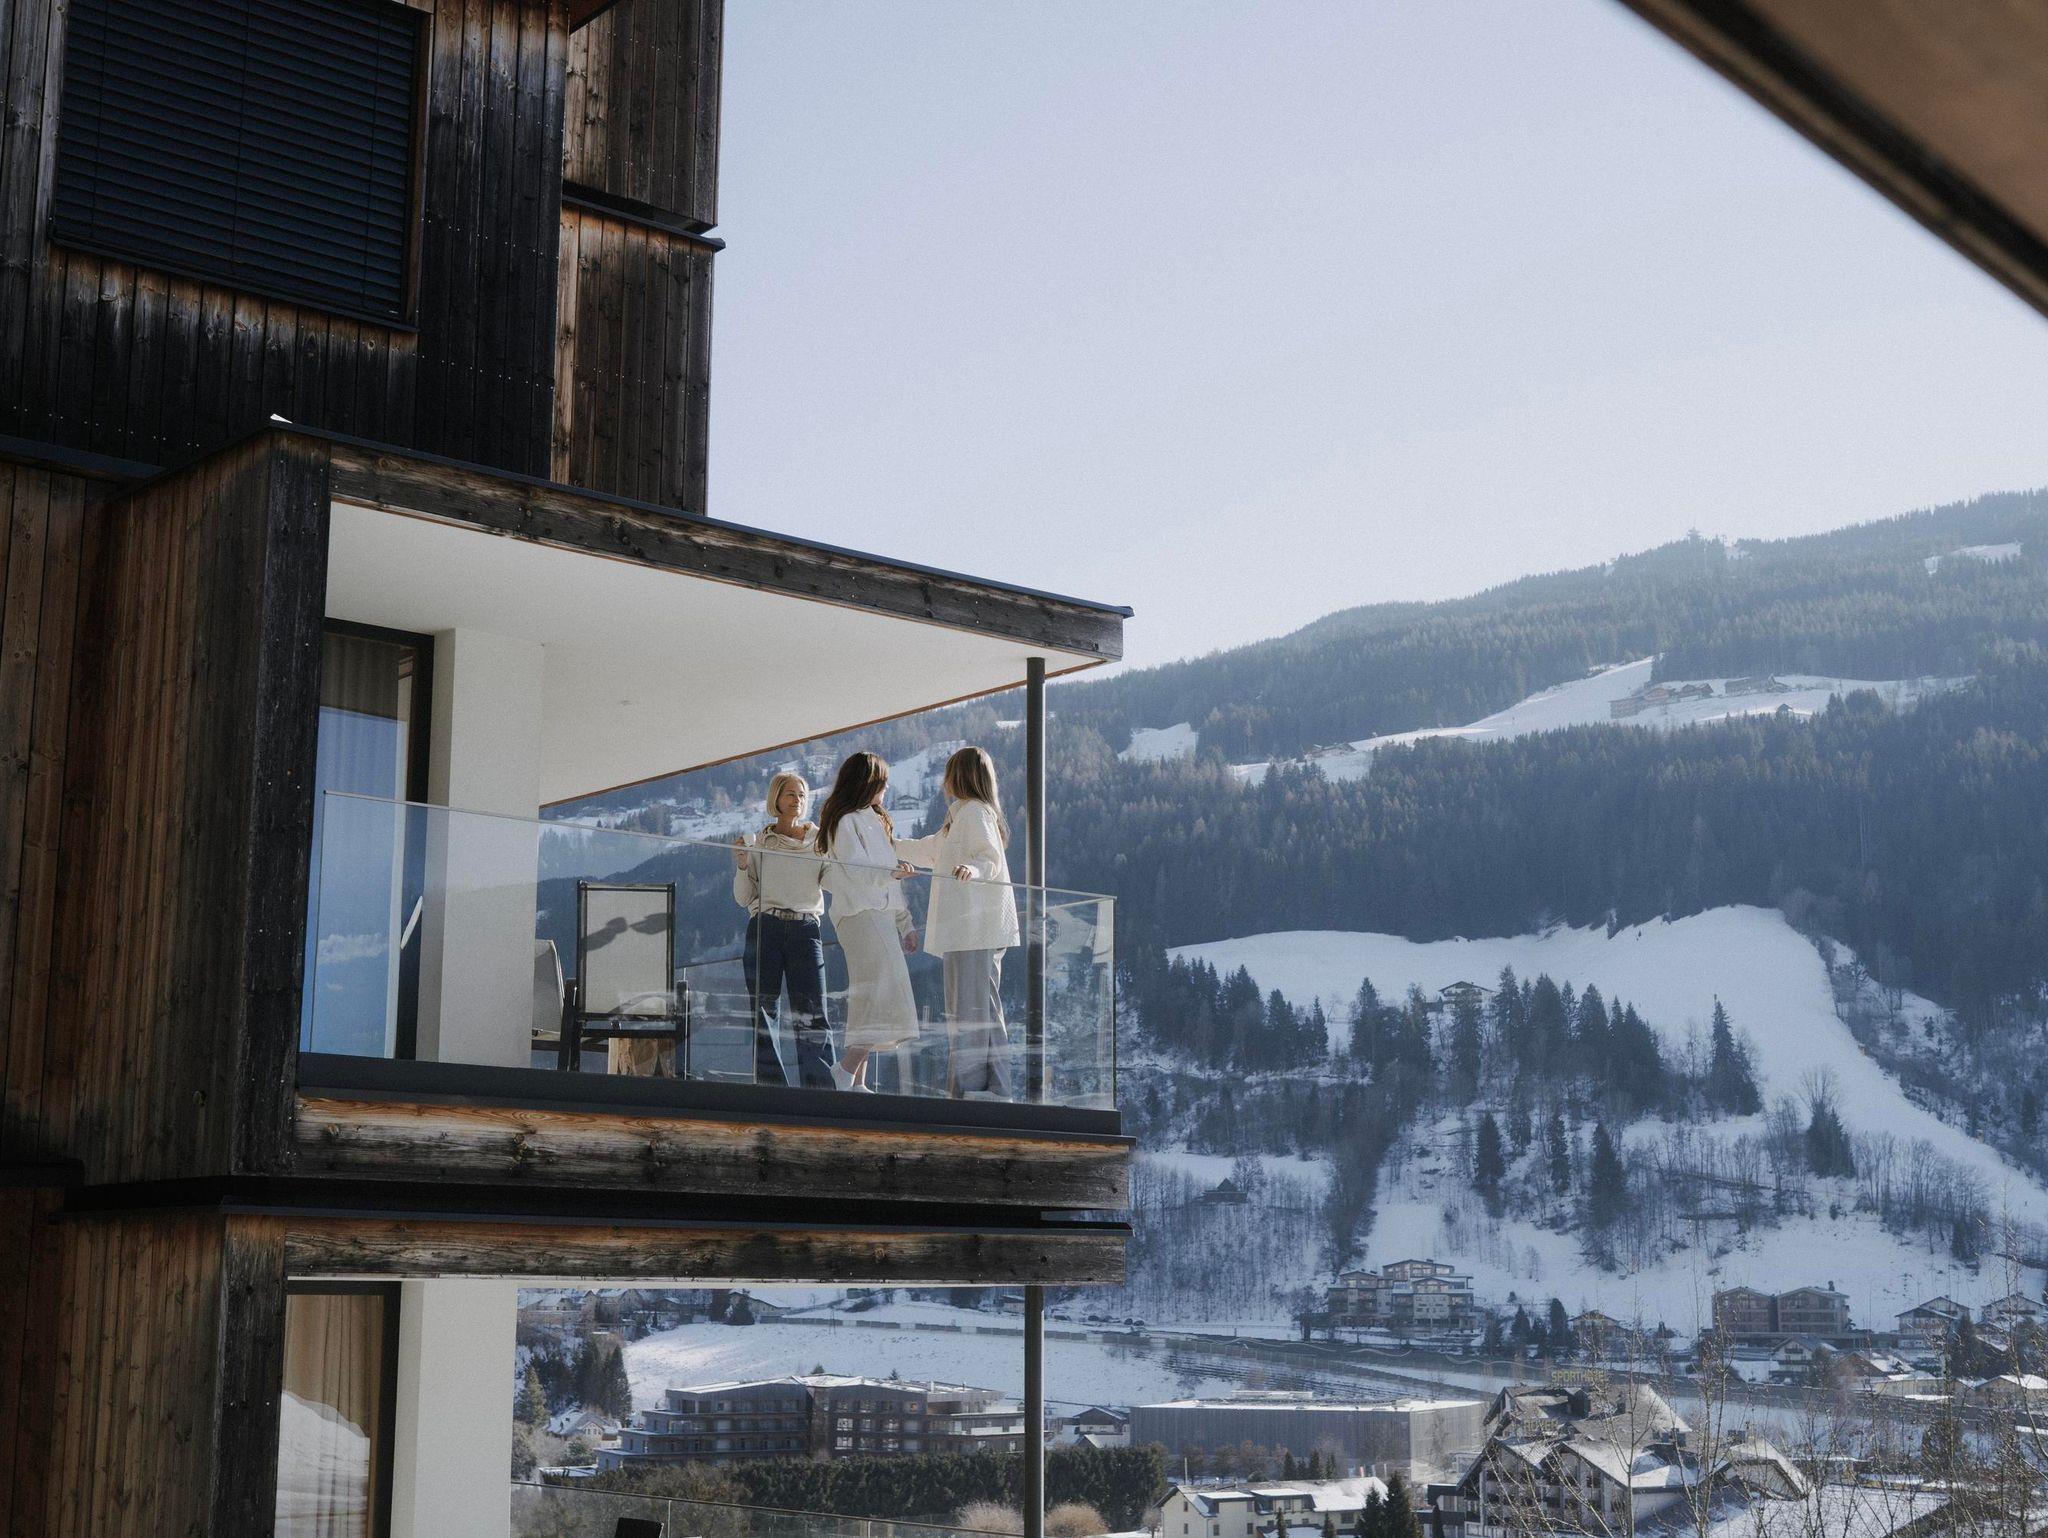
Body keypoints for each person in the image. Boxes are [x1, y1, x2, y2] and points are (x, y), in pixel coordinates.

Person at [894, 746, 1019, 1099]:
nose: (944, 780)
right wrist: (887, 843)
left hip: (973, 929)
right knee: (979, 1007)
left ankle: (973, 1091)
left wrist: (972, 870)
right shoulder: (963, 816)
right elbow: (929, 851)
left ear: (959, 776)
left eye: (949, 772)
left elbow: (989, 859)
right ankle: (989, 1088)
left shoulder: (975, 813)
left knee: (970, 1011)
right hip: (971, 930)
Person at [815, 752, 918, 1091]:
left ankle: (855, 1080)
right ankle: (845, 1069)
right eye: (882, 783)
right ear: (867, 783)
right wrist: (891, 873)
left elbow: (887, 880)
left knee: (870, 994)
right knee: (884, 992)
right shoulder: (846, 822)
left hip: (877, 915)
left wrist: (905, 923)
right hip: (861, 915)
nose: (886, 789)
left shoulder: (875, 820)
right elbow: (856, 868)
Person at [731, 771, 832, 1088]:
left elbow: (834, 880)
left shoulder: (819, 842)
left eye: (802, 794)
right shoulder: (761, 842)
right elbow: (744, 897)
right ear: (776, 798)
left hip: (806, 930)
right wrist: (742, 864)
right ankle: (772, 1090)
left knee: (813, 1012)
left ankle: (820, 1092)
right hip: (766, 929)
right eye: (790, 793)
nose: (797, 799)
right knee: (764, 1012)